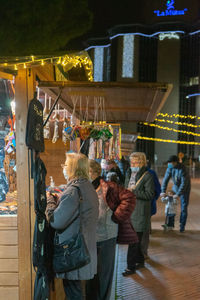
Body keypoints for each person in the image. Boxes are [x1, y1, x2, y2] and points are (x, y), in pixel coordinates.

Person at [46, 153, 99, 300]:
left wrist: (50, 203)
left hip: (74, 251)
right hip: (84, 247)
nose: (63, 168)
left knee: (73, 293)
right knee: (77, 292)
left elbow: (56, 221)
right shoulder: (86, 186)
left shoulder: (73, 191)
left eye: (66, 165)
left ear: (73, 169)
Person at [86, 159, 137, 300]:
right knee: (92, 276)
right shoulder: (85, 187)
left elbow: (130, 197)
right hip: (91, 238)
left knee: (104, 276)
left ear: (92, 172)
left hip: (106, 237)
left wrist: (116, 216)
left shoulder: (109, 186)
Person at [123, 152, 155, 276]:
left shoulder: (147, 176)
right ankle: (140, 260)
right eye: (131, 162)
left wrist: (134, 192)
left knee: (133, 241)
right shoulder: (129, 173)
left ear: (141, 163)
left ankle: (130, 267)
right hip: (130, 212)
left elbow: (149, 195)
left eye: (135, 162)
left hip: (140, 213)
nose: (132, 165)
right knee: (135, 240)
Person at [161, 155, 191, 233]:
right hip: (176, 186)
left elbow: (184, 183)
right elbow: (165, 179)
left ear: (175, 162)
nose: (169, 164)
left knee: (184, 207)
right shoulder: (170, 168)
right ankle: (170, 224)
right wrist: (163, 191)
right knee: (170, 204)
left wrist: (178, 194)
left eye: (170, 162)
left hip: (185, 189)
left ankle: (182, 225)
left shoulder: (183, 169)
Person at [141, 161, 161, 258]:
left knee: (145, 230)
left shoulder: (151, 173)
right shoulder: (130, 172)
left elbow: (157, 189)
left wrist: (151, 200)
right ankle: (139, 253)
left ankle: (143, 252)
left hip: (147, 206)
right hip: (134, 208)